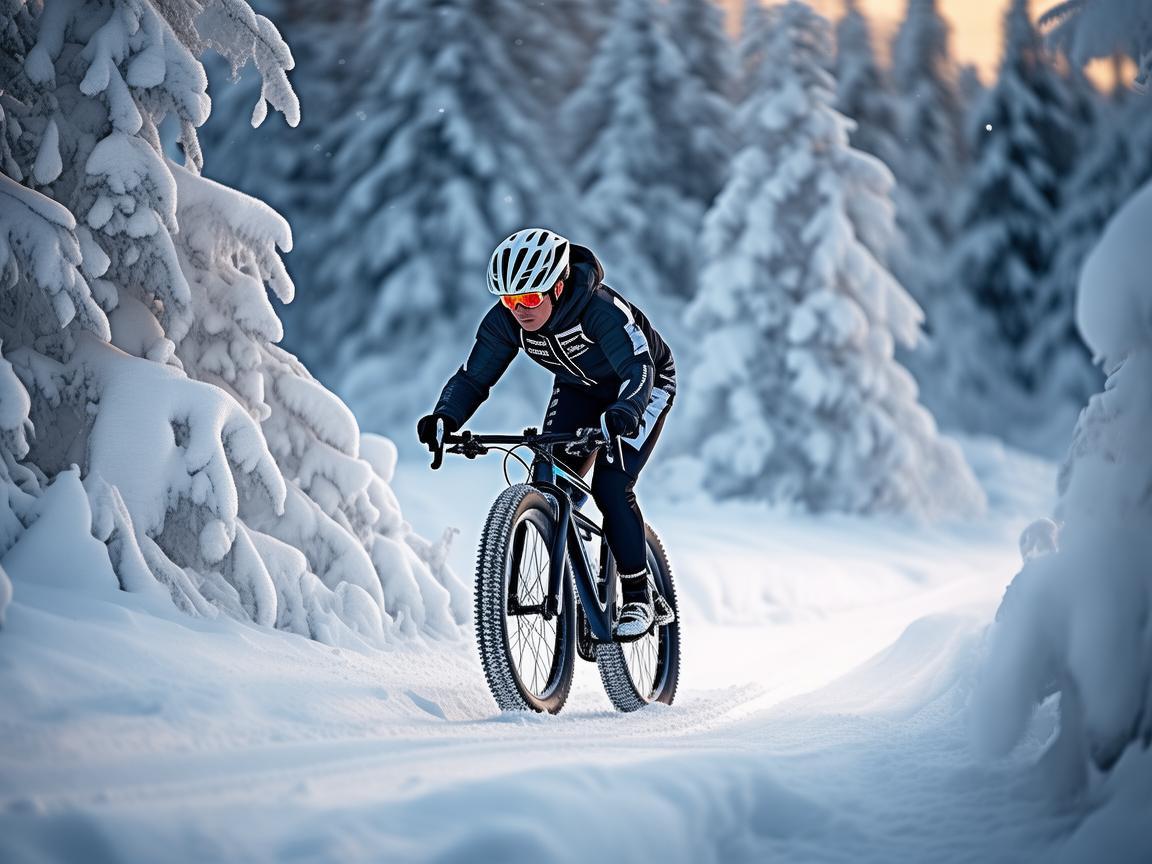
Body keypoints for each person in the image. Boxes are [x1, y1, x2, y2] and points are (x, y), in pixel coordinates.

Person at [417, 228, 676, 639]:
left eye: (531, 298)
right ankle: (582, 581)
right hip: (579, 388)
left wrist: (626, 410)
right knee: (551, 482)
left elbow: (638, 367)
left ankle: (638, 596)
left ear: (557, 286)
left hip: (643, 386)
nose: (520, 309)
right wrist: (445, 418)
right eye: (509, 300)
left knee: (610, 487)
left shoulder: (600, 310)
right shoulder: (506, 322)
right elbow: (473, 378)